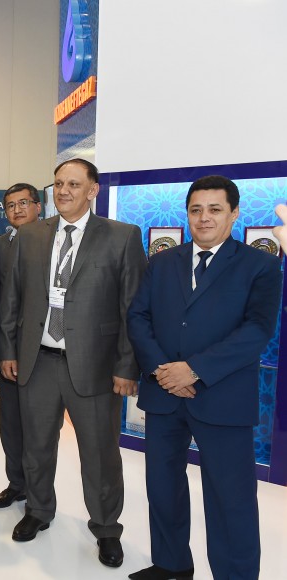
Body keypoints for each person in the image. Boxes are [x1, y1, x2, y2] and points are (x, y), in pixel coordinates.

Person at [127, 176, 282, 580]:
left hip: (222, 397)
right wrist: (163, 370)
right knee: (163, 487)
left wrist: (193, 370)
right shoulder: (162, 261)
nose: (204, 217)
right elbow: (138, 317)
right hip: (164, 393)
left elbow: (257, 330)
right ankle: (171, 564)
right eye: (196, 209)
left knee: (231, 498)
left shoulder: (261, 265)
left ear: (234, 213)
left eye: (215, 209)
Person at [0, 158, 146, 568]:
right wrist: (8, 351)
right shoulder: (30, 235)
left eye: (74, 184)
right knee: (36, 447)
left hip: (95, 367)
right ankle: (38, 510)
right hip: (37, 363)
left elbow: (133, 309)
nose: (63, 191)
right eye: (59, 184)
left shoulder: (122, 236)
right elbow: (11, 299)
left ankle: (106, 528)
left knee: (100, 455)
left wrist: (126, 367)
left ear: (93, 190)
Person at [0, 183, 42, 509]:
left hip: (44, 352)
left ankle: (39, 494)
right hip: (7, 350)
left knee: (38, 428)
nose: (17, 209)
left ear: (38, 206)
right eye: (11, 205)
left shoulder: (54, 242)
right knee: (10, 423)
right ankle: (16, 484)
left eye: (24, 203)